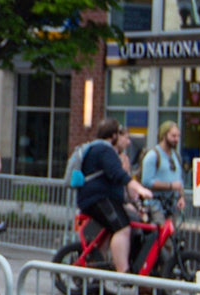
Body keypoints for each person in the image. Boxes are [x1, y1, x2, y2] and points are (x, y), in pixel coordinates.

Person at [73, 119, 154, 278]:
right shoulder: (104, 150)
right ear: (114, 136)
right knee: (122, 228)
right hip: (97, 199)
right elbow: (118, 175)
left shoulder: (104, 151)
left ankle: (101, 269)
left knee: (126, 222)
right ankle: (123, 273)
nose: (128, 142)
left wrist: (135, 201)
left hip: (103, 198)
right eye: (125, 137)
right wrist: (140, 189)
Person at [141, 121, 189, 214]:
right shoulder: (153, 156)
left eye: (178, 136)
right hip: (155, 207)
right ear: (163, 136)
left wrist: (181, 197)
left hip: (172, 207)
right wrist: (170, 185)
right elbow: (146, 181)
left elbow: (179, 181)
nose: (176, 139)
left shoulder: (176, 156)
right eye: (173, 136)